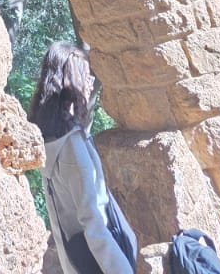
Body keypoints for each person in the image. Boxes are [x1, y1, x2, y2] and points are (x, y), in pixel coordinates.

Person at [28, 42, 135, 274]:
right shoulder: (72, 146)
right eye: (86, 77)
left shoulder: (47, 142)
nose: (91, 84)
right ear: (72, 83)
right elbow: (93, 219)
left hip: (77, 263)